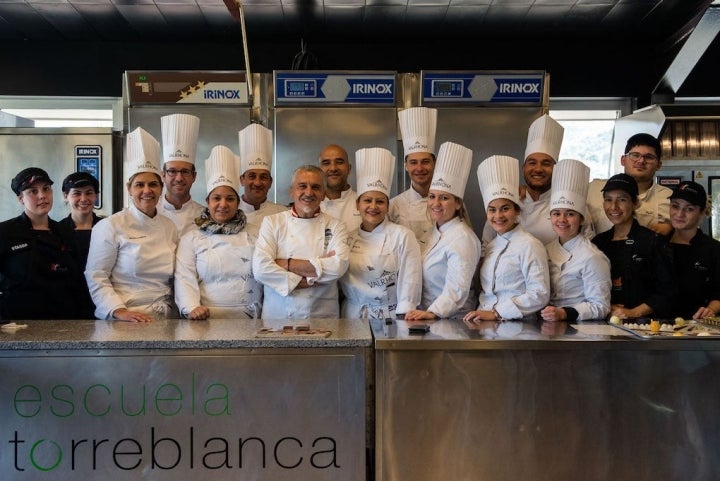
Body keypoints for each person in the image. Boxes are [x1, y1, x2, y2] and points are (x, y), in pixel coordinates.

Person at [86, 127, 178, 322]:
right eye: (139, 185)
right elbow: (96, 275)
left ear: (161, 188)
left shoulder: (169, 226)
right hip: (127, 316)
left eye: (153, 184)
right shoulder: (110, 226)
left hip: (167, 316)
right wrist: (118, 311)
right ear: (129, 189)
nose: (147, 190)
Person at [174, 145, 262, 320]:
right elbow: (184, 277)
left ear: (238, 203)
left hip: (250, 316)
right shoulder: (191, 238)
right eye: (216, 198)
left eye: (230, 199)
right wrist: (191, 307)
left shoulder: (256, 233)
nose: (223, 204)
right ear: (207, 201)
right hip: (205, 317)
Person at [253, 165, 350, 319]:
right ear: (292, 191)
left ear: (324, 194)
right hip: (278, 317)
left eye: (316, 187)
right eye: (302, 186)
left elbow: (338, 267)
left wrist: (286, 264)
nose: (309, 192)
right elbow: (260, 269)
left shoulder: (336, 225)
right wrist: (315, 274)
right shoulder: (272, 222)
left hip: (322, 316)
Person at [464, 155, 550, 328]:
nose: (498, 216)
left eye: (505, 209)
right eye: (492, 210)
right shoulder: (490, 247)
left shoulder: (530, 245)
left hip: (520, 328)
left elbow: (540, 294)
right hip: (486, 325)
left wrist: (496, 313)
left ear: (517, 211)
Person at [482, 114, 593, 246]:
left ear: (556, 169)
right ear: (523, 168)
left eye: (546, 163)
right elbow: (487, 245)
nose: (538, 169)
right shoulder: (508, 200)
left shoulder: (572, 203)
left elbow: (587, 245)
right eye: (532, 162)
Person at [339, 147, 422, 320]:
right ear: (357, 205)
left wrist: (404, 315)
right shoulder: (347, 238)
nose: (373, 207)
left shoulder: (403, 236)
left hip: (391, 315)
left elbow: (410, 279)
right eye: (367, 200)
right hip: (352, 315)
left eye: (380, 201)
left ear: (387, 206)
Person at [0, 167, 92, 319]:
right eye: (33, 191)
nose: (42, 196)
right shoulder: (5, 232)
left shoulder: (66, 232)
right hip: (17, 322)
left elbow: (79, 281)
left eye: (46, 189)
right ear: (20, 198)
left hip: (63, 321)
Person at [405, 142, 481, 320]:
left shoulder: (463, 238)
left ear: (458, 203)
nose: (436, 203)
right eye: (432, 197)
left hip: (453, 320)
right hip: (431, 316)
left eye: (444, 198)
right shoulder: (436, 233)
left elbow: (457, 289)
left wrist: (432, 312)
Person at [539, 159, 611, 332]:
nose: (562, 220)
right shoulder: (544, 250)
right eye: (556, 214)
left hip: (579, 330)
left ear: (581, 219)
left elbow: (601, 306)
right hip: (545, 327)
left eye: (570, 214)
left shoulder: (592, 257)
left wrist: (564, 313)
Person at [591, 173, 674, 320]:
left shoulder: (652, 241)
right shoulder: (598, 243)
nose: (613, 207)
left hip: (645, 326)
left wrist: (634, 312)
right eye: (608, 200)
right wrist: (607, 307)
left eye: (622, 200)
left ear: (635, 203)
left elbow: (667, 291)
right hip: (604, 321)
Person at [588, 133, 672, 236]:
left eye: (649, 157)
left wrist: (671, 227)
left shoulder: (669, 197)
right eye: (635, 155)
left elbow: (688, 230)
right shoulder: (593, 188)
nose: (641, 161)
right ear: (623, 160)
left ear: (658, 165)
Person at [665, 181, 720, 319]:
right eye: (675, 206)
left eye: (689, 209)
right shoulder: (657, 245)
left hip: (697, 328)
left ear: (702, 212)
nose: (679, 214)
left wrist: (710, 310)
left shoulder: (713, 249)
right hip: (657, 326)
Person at [388, 106, 437, 243]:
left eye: (425, 162)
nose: (419, 168)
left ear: (434, 163)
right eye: (413, 162)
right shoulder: (394, 206)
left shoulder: (449, 203)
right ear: (406, 166)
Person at [157, 113, 205, 236]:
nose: (179, 178)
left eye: (185, 171)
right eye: (172, 171)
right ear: (163, 175)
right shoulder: (151, 211)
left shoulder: (205, 215)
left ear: (194, 176)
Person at [237, 123, 286, 231]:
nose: (257, 183)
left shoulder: (283, 214)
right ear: (242, 180)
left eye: (263, 177)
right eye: (252, 176)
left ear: (270, 182)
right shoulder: (228, 212)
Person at [58, 171, 103, 270]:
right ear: (66, 196)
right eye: (77, 193)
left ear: (96, 195)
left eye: (89, 193)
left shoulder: (107, 228)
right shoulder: (57, 231)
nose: (83, 199)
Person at [318, 143, 361, 230]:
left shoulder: (364, 205)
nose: (333, 168)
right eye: (326, 163)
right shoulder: (309, 206)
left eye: (339, 162)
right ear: (319, 171)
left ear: (349, 168)